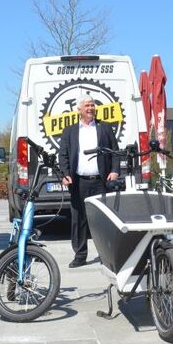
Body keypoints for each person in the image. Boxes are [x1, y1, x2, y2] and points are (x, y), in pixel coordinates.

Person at [59, 91, 120, 268]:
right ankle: (80, 256)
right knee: (79, 220)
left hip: (101, 182)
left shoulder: (105, 128)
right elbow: (63, 155)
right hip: (79, 182)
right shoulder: (70, 131)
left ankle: (107, 255)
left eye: (92, 105)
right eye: (87, 105)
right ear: (79, 109)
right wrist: (65, 174)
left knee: (104, 220)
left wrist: (115, 171)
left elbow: (115, 152)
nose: (91, 108)